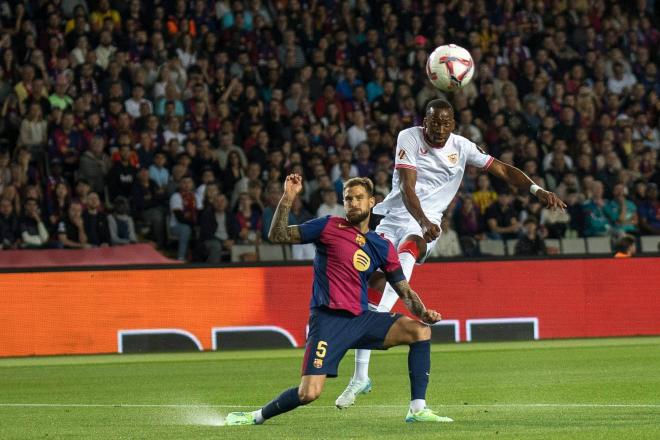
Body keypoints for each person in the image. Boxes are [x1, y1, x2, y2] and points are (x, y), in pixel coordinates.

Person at [336, 99, 566, 409]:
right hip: (395, 220)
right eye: (434, 123)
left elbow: (502, 169)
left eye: (446, 123)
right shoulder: (409, 137)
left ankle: (362, 377)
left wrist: (537, 190)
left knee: (399, 269)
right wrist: (423, 220)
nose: (440, 129)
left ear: (454, 123)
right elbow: (407, 188)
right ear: (425, 121)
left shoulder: (463, 146)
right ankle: (362, 374)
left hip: (422, 230)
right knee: (371, 291)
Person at [223, 174, 451, 426]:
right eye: (348, 199)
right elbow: (278, 235)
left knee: (420, 331)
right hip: (328, 322)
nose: (353, 203)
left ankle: (417, 409)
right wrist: (288, 197)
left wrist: (424, 312)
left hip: (361, 319)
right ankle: (255, 416)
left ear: (372, 202)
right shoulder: (328, 226)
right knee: (308, 393)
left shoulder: (380, 245)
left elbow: (404, 291)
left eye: (359, 198)